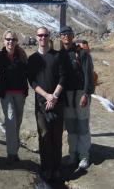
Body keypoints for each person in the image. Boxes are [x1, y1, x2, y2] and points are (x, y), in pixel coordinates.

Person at [27, 27, 66, 182]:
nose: (42, 37)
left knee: (57, 136)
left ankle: (56, 168)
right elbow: (32, 81)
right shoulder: (32, 59)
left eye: (45, 35)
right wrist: (47, 96)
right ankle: (45, 168)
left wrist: (55, 96)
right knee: (44, 136)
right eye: (40, 35)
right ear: (36, 38)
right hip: (41, 104)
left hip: (58, 102)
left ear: (49, 37)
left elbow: (63, 77)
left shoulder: (57, 56)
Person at [0, 30, 28, 164]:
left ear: (16, 41)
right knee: (10, 120)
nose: (10, 41)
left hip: (20, 93)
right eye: (8, 39)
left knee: (17, 122)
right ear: (3, 40)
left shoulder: (22, 55)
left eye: (13, 39)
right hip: (6, 93)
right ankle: (12, 153)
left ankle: (14, 147)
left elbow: (29, 72)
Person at [60, 25, 94, 170]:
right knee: (71, 127)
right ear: (60, 37)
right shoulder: (60, 54)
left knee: (82, 125)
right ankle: (73, 154)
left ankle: (84, 156)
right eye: (63, 34)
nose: (66, 36)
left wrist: (86, 93)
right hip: (67, 95)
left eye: (68, 34)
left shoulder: (82, 54)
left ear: (73, 36)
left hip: (80, 93)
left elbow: (88, 75)